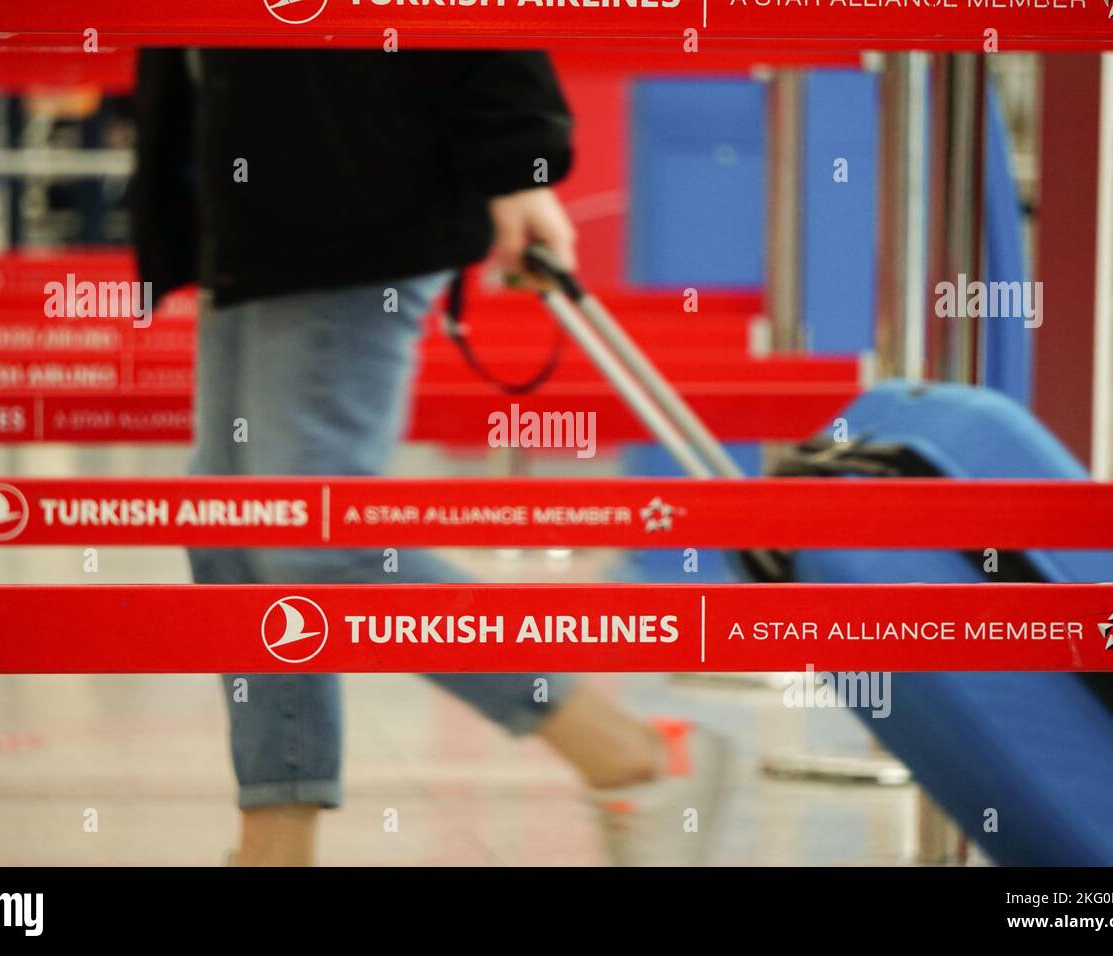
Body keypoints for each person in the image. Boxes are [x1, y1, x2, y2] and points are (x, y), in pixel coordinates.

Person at [130, 47, 729, 866]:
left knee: (316, 540)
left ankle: (624, 749)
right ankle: (275, 838)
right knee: (233, 535)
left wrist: (520, 165)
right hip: (254, 208)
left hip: (354, 203)